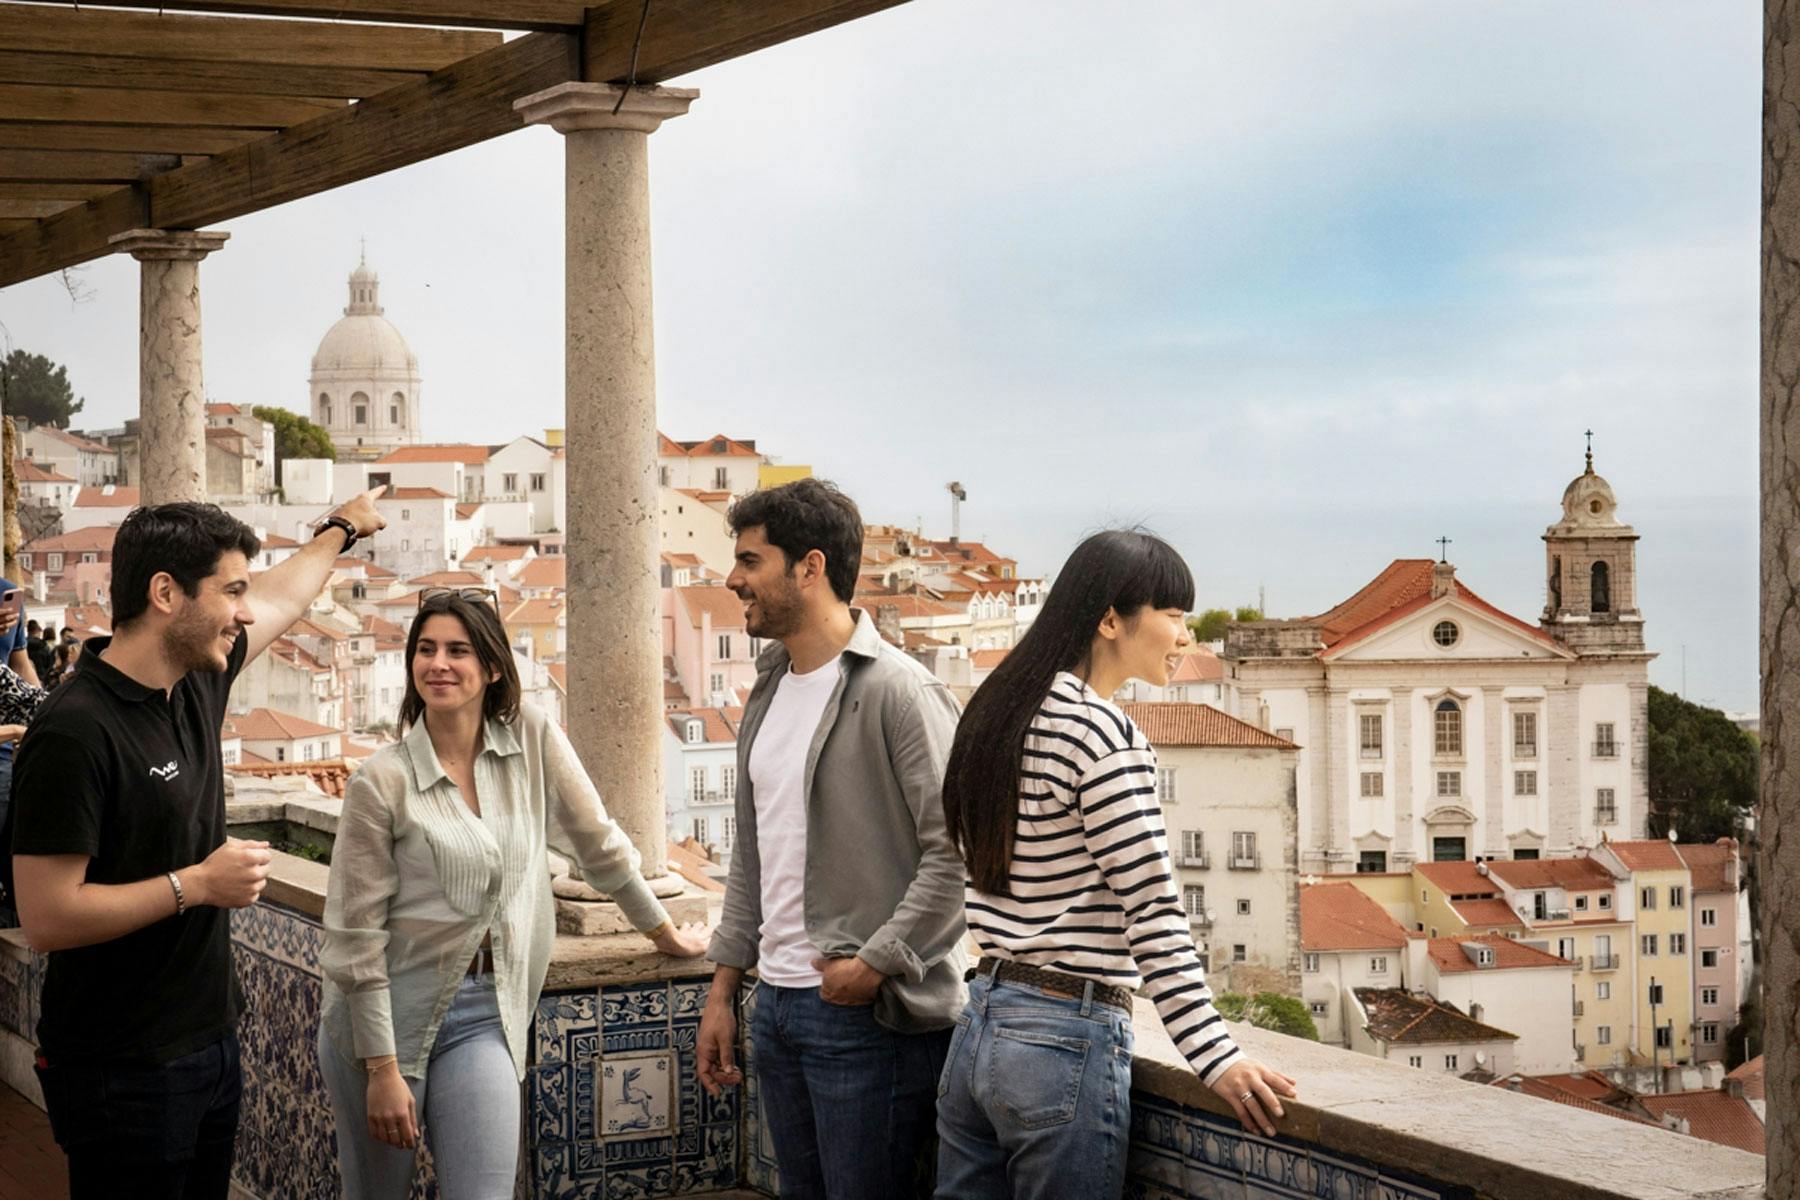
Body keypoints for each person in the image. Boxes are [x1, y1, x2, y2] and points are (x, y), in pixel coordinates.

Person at [10, 495, 388, 1199]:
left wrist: (339, 531)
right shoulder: (74, 733)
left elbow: (283, 596)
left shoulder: (194, 685)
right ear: (164, 594)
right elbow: (47, 918)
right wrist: (197, 885)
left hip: (208, 1041)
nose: (246, 612)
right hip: (118, 1069)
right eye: (230, 591)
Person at [934, 530, 1299, 1200]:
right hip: (1059, 1041)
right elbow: (1155, 910)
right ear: (1110, 620)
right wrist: (1215, 1056)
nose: (1186, 636)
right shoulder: (1101, 732)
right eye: (1175, 615)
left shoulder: (993, 713)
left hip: (982, 1024)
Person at [318, 587, 709, 1198]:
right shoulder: (381, 782)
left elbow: (596, 843)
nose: (438, 664)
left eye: (457, 650)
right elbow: (355, 939)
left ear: (493, 666)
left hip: (485, 1013)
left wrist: (660, 928)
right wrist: (382, 1069)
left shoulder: (530, 737)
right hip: (385, 1021)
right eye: (425, 650)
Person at [696, 478, 967, 1200]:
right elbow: (753, 856)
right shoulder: (768, 689)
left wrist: (875, 964)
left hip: (864, 1016)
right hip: (777, 1007)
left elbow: (957, 856)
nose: (734, 578)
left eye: (751, 561)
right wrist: (725, 988)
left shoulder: (900, 693)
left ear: (810, 568)